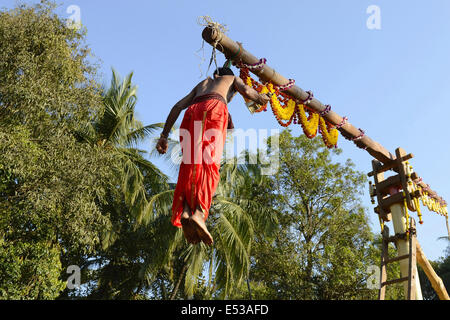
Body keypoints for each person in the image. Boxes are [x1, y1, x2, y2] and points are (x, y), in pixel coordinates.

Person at [156, 67, 270, 245]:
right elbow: (247, 91)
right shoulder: (231, 79)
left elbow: (177, 106)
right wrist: (260, 98)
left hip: (192, 112)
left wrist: (163, 136)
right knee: (209, 166)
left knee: (190, 165)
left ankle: (186, 211)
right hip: (214, 111)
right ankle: (199, 214)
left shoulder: (202, 84)